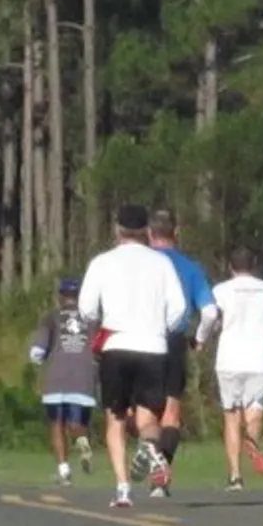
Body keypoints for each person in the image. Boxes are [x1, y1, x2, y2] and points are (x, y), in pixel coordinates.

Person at [77, 204, 187, 508]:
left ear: (117, 230)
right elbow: (178, 310)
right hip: (153, 346)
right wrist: (160, 328)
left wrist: (100, 322)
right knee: (147, 417)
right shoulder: (162, 263)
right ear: (147, 232)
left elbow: (86, 308)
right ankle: (154, 450)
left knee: (115, 418)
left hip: (116, 343)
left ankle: (123, 488)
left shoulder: (102, 262)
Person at [147, 206, 218, 497]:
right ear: (176, 233)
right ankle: (160, 475)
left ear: (149, 234)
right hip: (175, 338)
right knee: (171, 409)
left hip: (143, 337)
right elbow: (210, 312)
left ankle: (149, 453)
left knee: (143, 410)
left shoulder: (142, 265)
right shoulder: (191, 268)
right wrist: (199, 339)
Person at [207, 247, 263, 491]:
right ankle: (251, 439)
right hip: (259, 358)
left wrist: (203, 337)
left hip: (229, 359)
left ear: (230, 266)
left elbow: (211, 318)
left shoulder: (220, 291)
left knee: (231, 416)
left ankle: (236, 476)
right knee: (255, 412)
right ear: (255, 264)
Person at [29, 277, 98, 484]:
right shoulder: (93, 319)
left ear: (61, 296)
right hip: (84, 377)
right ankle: (81, 440)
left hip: (56, 378)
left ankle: (63, 469)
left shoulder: (51, 318)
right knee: (78, 422)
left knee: (56, 423)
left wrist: (39, 360)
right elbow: (101, 348)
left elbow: (37, 351)